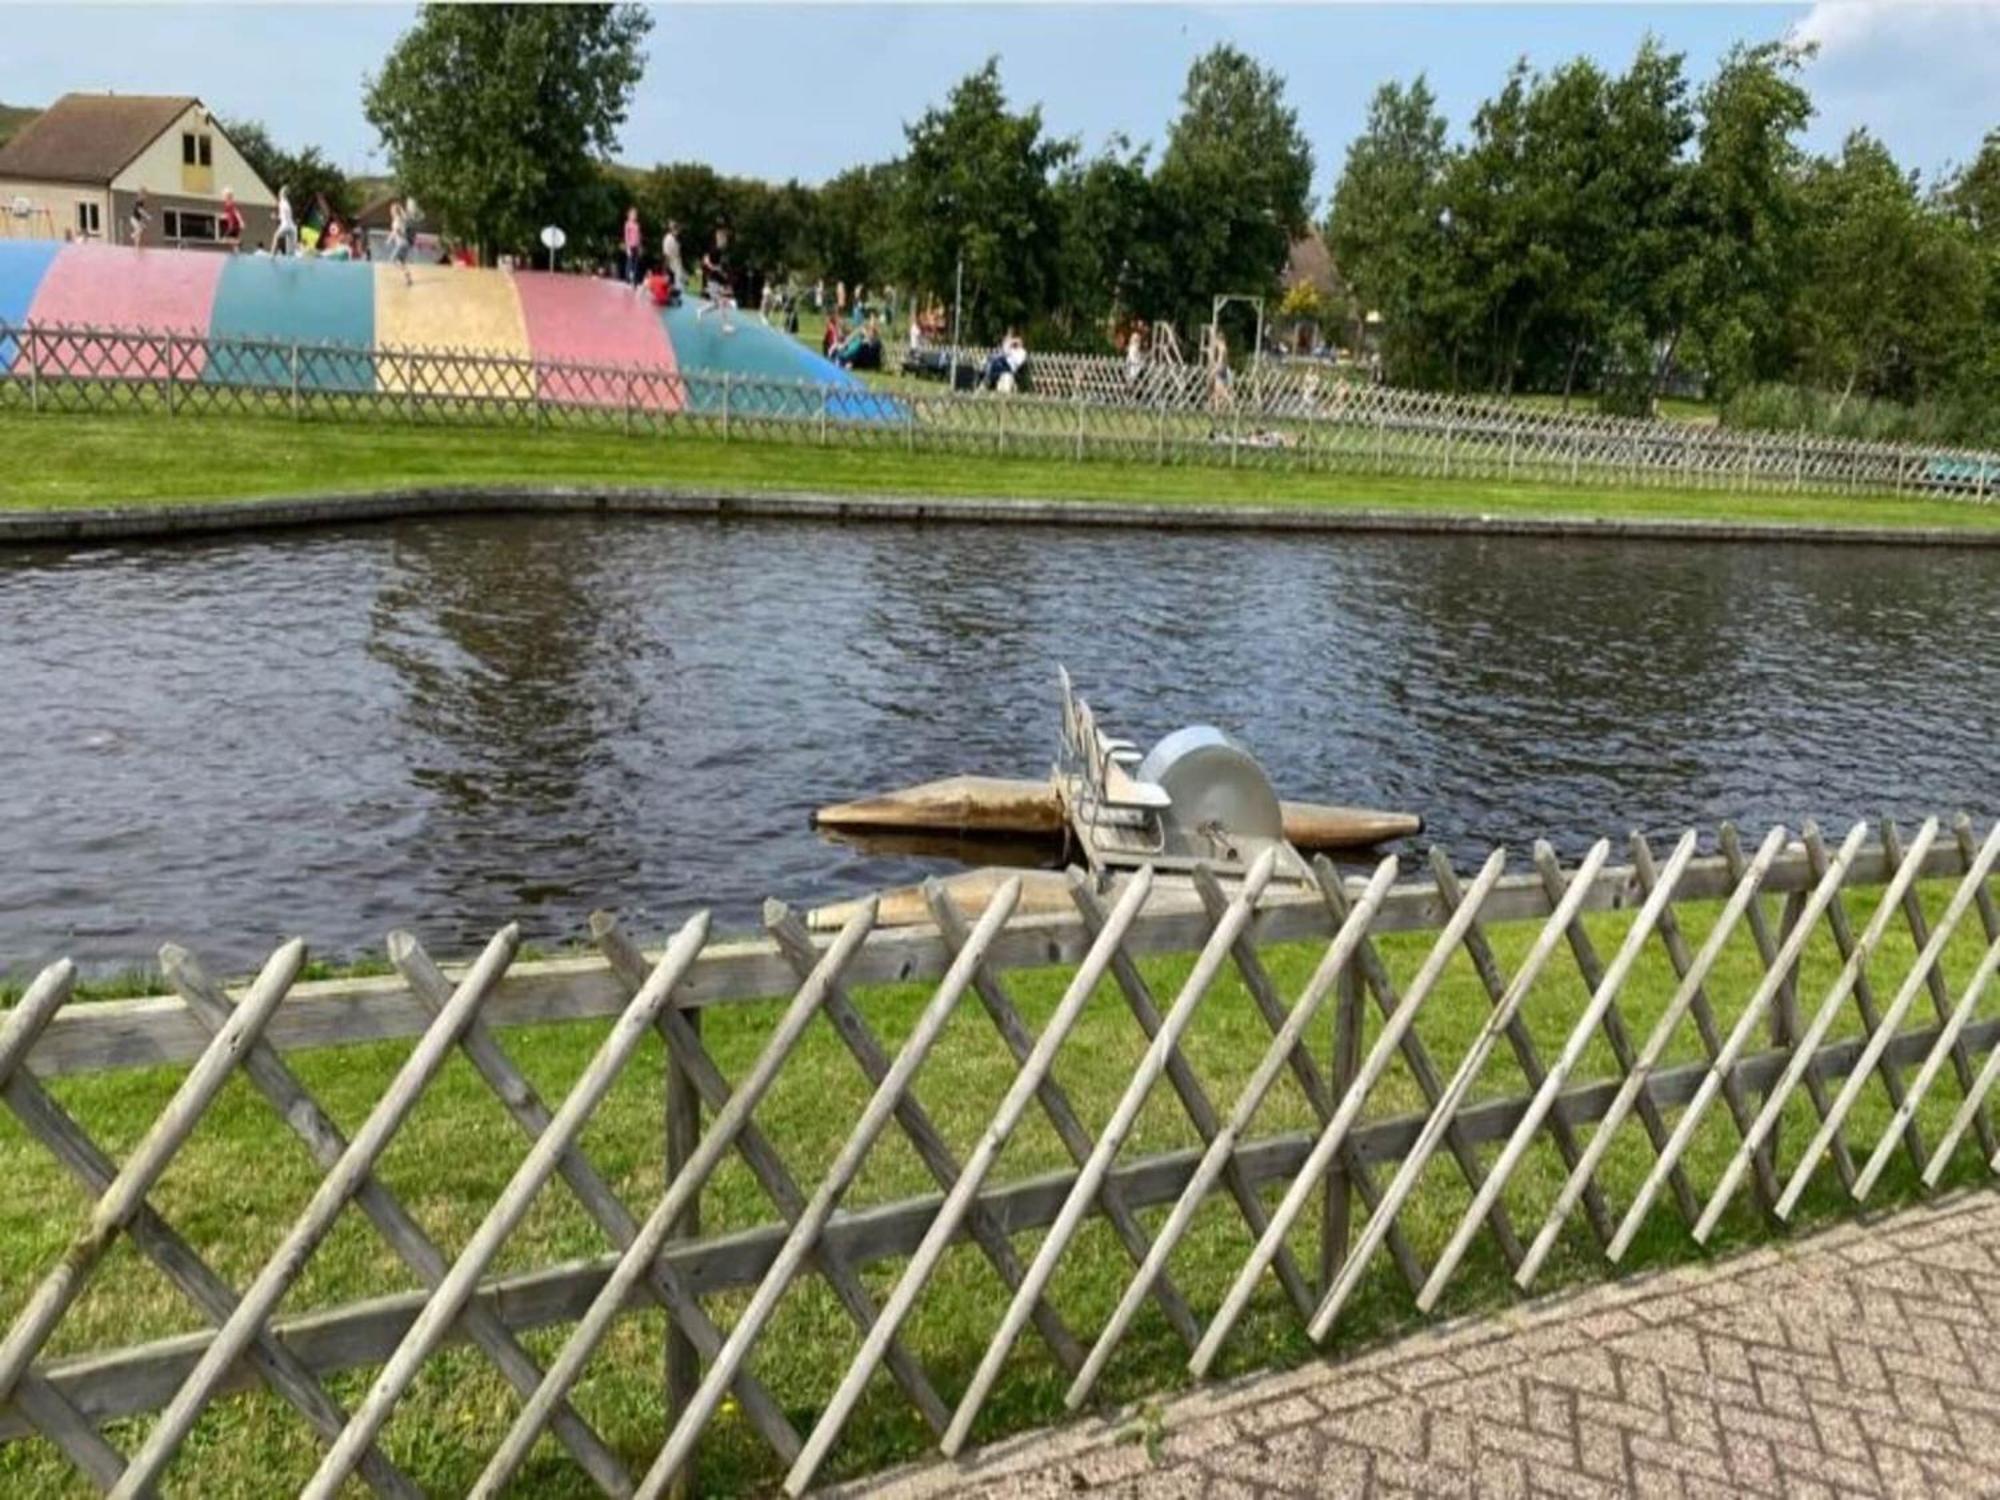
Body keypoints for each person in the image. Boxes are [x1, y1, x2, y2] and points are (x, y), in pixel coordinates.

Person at [697, 226, 736, 332]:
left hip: (717, 279)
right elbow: (705, 260)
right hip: (712, 280)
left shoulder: (720, 251)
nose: (726, 242)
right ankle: (725, 325)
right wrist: (714, 268)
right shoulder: (715, 250)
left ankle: (701, 311)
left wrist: (722, 274)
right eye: (725, 240)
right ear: (720, 239)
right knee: (721, 301)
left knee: (716, 304)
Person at [387, 198, 414, 286]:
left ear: (394, 211)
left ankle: (407, 275)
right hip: (405, 244)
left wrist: (390, 239)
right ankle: (408, 279)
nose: (390, 212)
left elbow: (396, 230)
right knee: (402, 262)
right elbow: (405, 219)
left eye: (391, 210)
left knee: (393, 260)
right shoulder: (402, 218)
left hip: (401, 244)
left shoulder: (397, 220)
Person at [621, 206, 643, 291]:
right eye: (633, 214)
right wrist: (628, 248)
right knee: (629, 264)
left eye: (636, 215)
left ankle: (635, 282)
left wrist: (640, 246)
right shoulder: (627, 224)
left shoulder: (637, 225)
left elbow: (639, 236)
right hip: (630, 246)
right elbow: (626, 236)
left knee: (636, 264)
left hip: (637, 246)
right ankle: (628, 281)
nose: (635, 216)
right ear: (629, 215)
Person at [273, 186, 297, 256]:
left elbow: (281, 217)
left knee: (276, 237)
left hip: (285, 225)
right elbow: (284, 216)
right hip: (292, 227)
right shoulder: (287, 203)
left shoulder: (281, 202)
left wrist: (275, 217)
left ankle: (272, 256)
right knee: (291, 250)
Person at [661, 219, 686, 285]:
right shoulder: (668, 239)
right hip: (671, 263)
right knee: (671, 284)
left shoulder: (677, 239)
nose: (678, 232)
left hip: (677, 263)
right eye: (677, 230)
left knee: (679, 283)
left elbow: (679, 252)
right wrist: (666, 269)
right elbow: (666, 254)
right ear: (673, 230)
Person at [219, 188, 244, 252]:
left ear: (227, 196)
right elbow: (228, 215)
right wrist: (223, 216)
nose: (223, 198)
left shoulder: (230, 204)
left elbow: (236, 212)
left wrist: (241, 221)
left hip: (233, 225)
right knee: (233, 243)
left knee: (224, 240)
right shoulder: (227, 205)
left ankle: (238, 241)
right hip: (235, 226)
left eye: (224, 196)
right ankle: (237, 253)